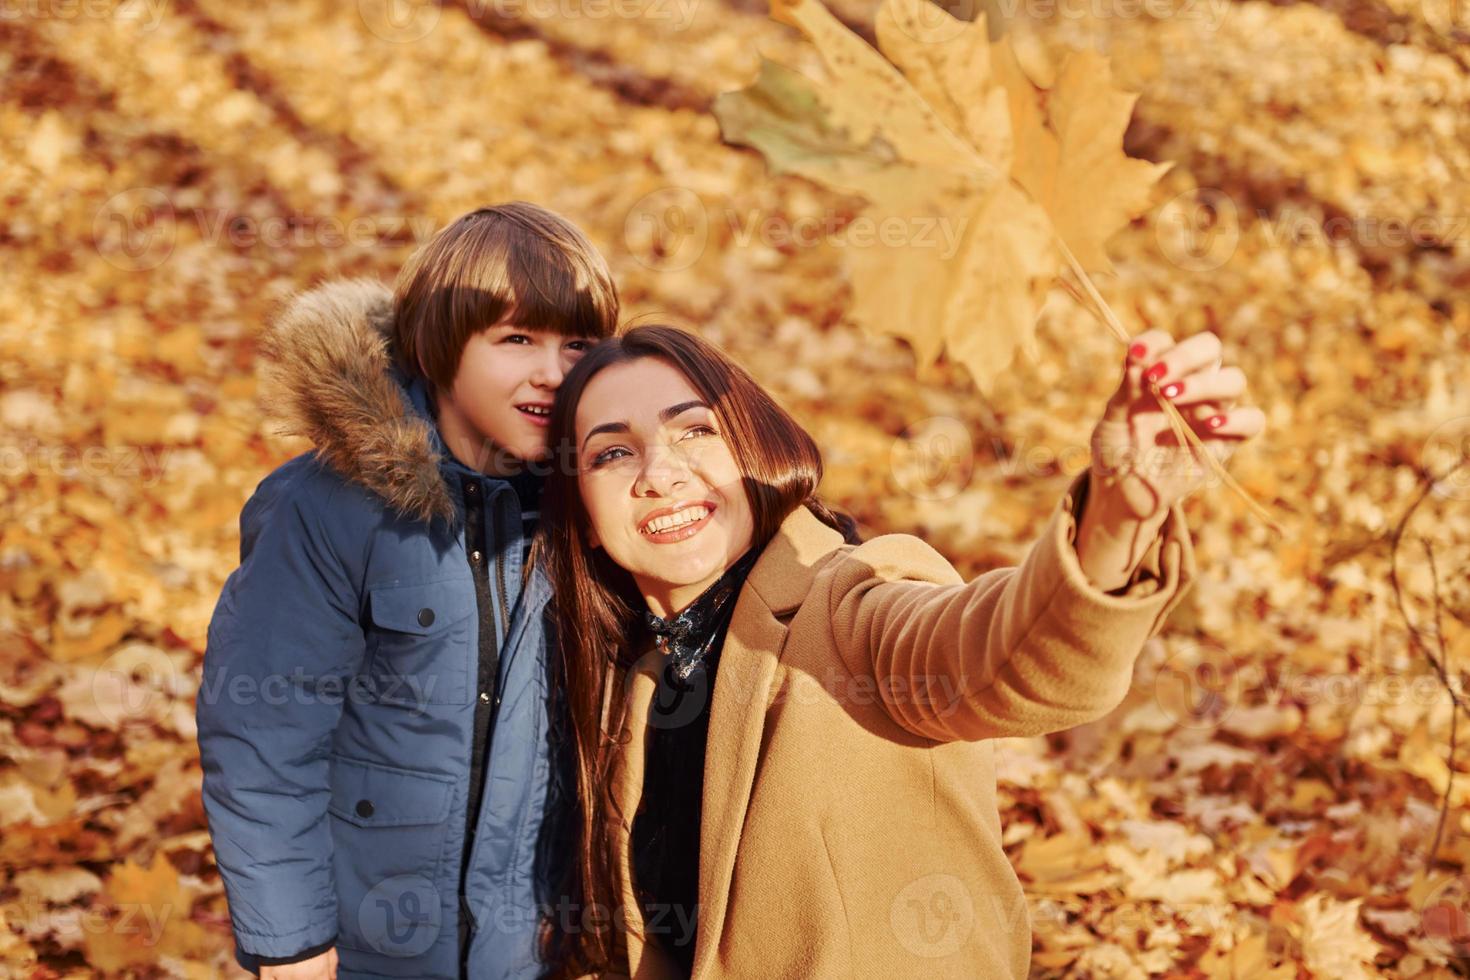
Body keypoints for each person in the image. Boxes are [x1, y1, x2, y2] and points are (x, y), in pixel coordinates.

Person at [533, 325, 1263, 978]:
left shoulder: (852, 600)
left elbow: (1001, 657)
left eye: (694, 431)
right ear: (588, 520)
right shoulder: (636, 684)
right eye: (613, 453)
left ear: (756, 453)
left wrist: (1112, 519)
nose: (659, 473)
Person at [195, 202, 619, 979]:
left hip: (524, 947)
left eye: (578, 345)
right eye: (517, 339)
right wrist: (292, 946)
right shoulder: (331, 508)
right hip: (364, 946)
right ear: (442, 349)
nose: (552, 373)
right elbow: (263, 741)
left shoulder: (586, 510)